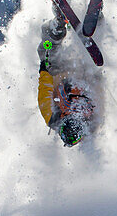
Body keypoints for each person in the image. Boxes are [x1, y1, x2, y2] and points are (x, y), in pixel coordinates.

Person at [37, 10, 94, 147]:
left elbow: (45, 92)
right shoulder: (52, 118)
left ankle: (57, 27)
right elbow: (44, 93)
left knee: (46, 49)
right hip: (70, 72)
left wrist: (45, 69)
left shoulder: (53, 118)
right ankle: (58, 28)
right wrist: (45, 70)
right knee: (47, 49)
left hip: (67, 71)